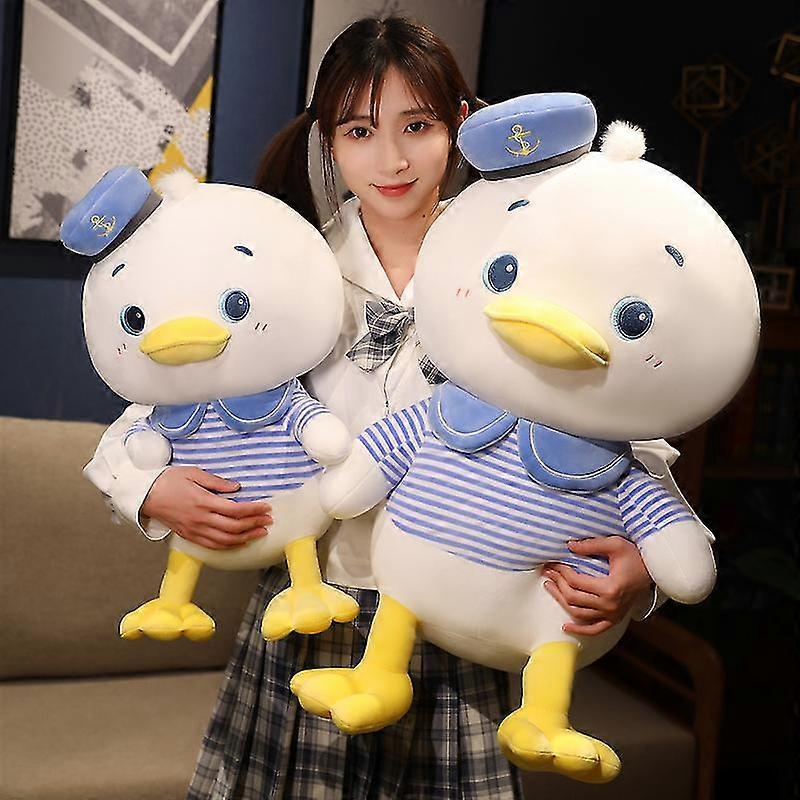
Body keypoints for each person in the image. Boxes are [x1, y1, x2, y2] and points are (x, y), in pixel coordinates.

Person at [84, 17, 658, 799]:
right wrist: (151, 489)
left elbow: (627, 420)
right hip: (314, 612)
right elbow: (150, 410)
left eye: (417, 126)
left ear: (460, 125)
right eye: (360, 131)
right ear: (329, 139)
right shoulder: (284, 268)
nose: (391, 160)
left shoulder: (524, 261)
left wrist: (643, 565)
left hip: (465, 616)